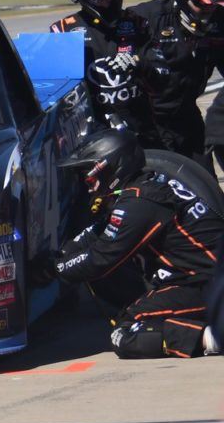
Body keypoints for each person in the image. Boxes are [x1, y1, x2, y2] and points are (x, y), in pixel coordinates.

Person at [46, 129, 221, 359]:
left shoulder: (138, 203)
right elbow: (97, 231)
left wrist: (54, 270)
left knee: (124, 332)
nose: (86, 181)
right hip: (202, 278)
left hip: (208, 284)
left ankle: (215, 339)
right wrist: (65, 252)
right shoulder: (148, 185)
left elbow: (101, 258)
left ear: (112, 166)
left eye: (87, 173)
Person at [50, 0, 165, 147]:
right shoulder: (63, 31)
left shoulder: (138, 23)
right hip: (94, 138)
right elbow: (55, 94)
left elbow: (164, 74)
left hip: (146, 132)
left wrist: (140, 63)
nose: (108, 1)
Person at [129, 0, 224, 170]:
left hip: (187, 119)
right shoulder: (144, 19)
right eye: (200, 4)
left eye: (213, 5)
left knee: (207, 191)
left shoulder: (220, 21)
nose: (208, 12)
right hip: (149, 125)